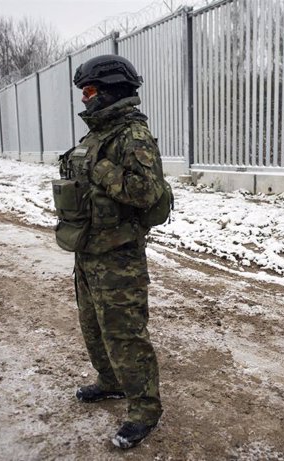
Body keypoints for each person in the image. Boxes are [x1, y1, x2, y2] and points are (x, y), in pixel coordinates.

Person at [56, 54, 165, 449]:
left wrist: (99, 169)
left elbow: (146, 192)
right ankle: (111, 381)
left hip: (118, 256)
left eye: (89, 91)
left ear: (110, 90)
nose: (84, 100)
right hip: (87, 249)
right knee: (93, 326)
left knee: (125, 334)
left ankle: (145, 410)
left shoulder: (131, 136)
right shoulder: (98, 135)